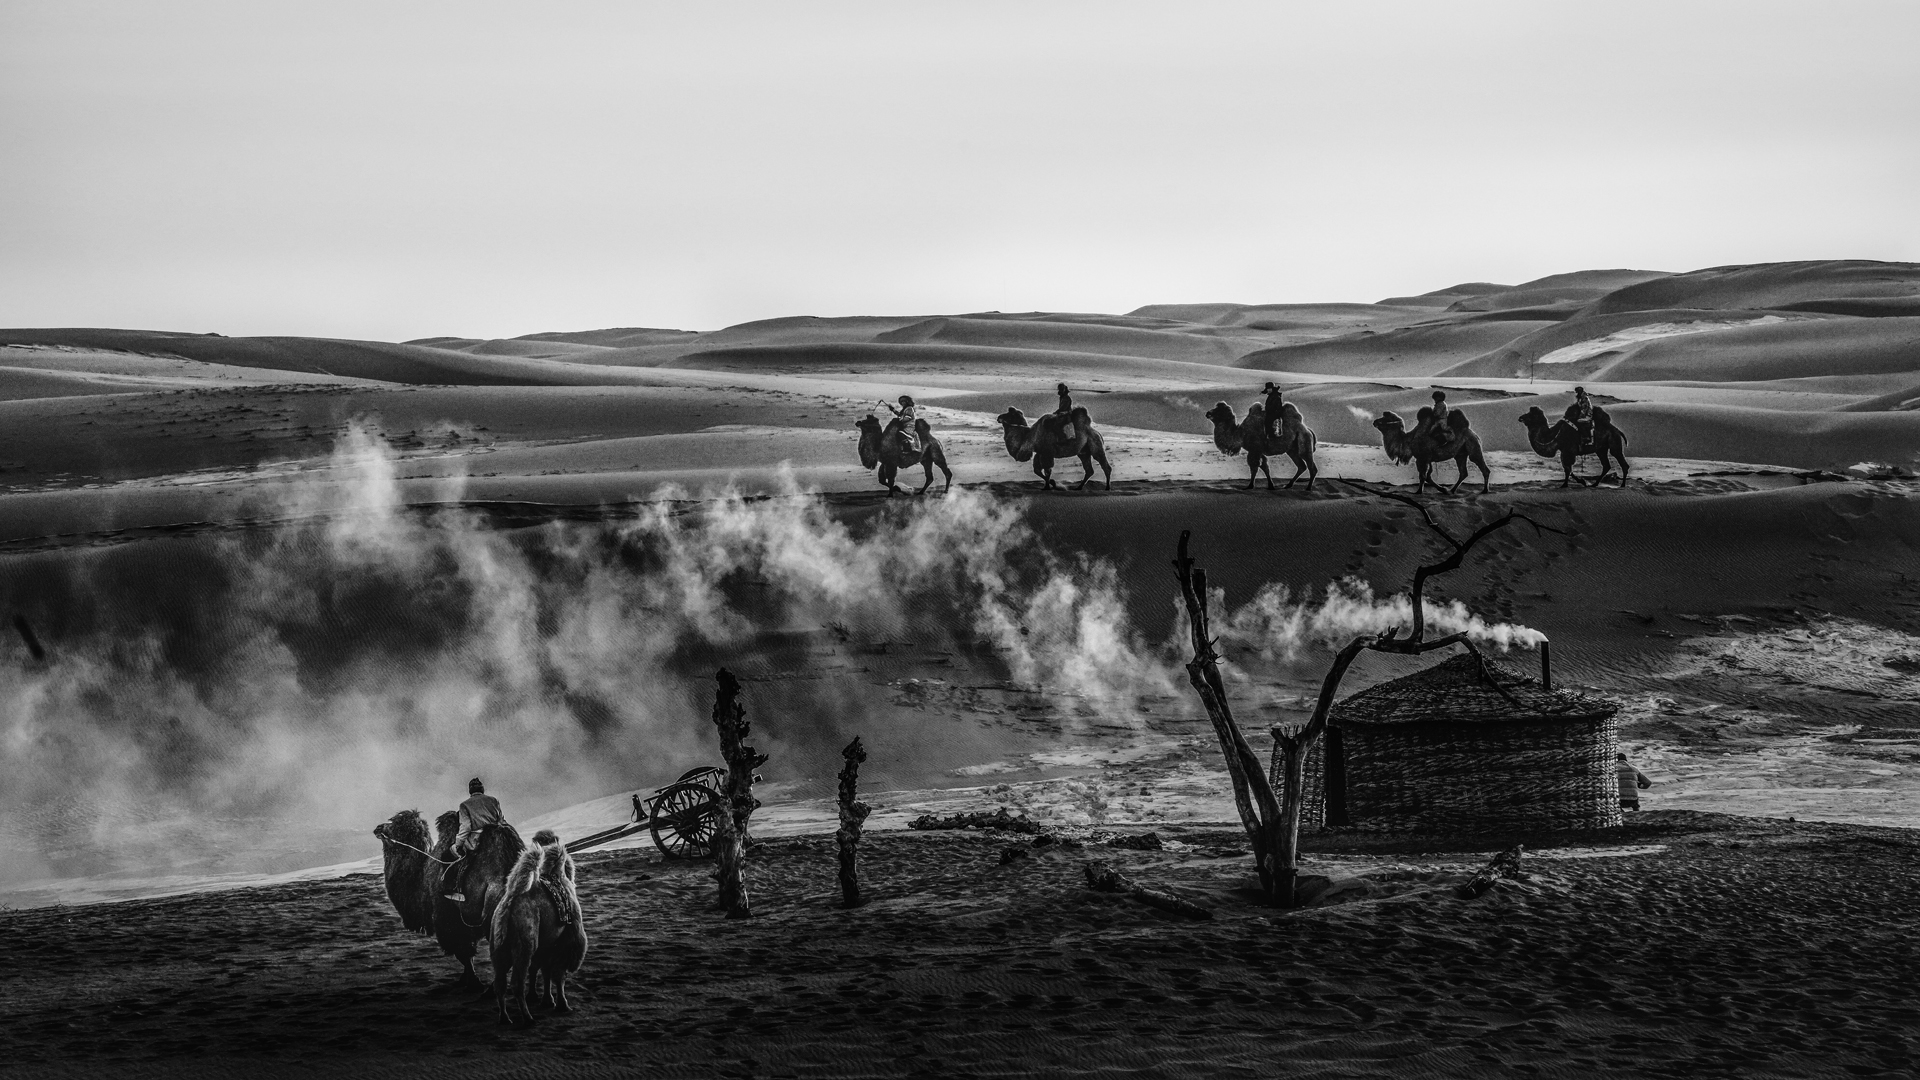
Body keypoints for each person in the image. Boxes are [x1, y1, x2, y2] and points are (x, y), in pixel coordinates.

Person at [443, 776, 506, 902]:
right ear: (482, 789)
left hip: (475, 843)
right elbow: (502, 822)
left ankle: (452, 889)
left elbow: (465, 827)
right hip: (496, 841)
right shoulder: (494, 801)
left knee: (446, 855)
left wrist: (458, 844)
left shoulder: (464, 805)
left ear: (470, 791)